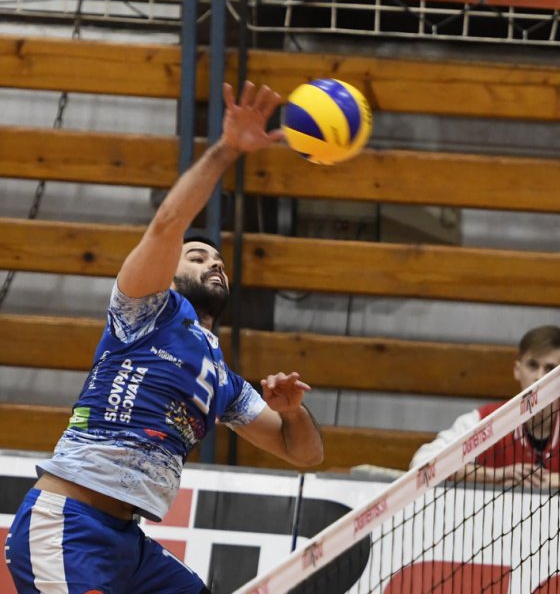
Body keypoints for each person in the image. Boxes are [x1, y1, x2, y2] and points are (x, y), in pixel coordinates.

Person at [4, 81, 325, 593]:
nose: (214, 264)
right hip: (69, 526)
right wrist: (228, 149)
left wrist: (292, 412)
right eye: (196, 257)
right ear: (168, 274)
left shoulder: (222, 380)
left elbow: (305, 455)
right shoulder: (146, 310)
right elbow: (167, 225)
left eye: (218, 261)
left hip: (127, 543)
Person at [410, 325, 560, 493]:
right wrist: (495, 476)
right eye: (532, 365)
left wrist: (551, 481)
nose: (539, 377)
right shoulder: (485, 421)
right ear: (517, 370)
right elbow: (422, 464)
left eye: (551, 369)